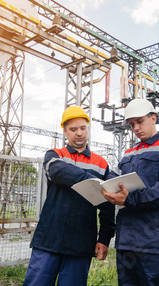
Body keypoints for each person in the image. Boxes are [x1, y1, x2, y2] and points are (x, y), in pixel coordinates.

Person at [23, 106, 115, 286]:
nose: (79, 133)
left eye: (83, 128)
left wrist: (104, 238)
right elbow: (58, 173)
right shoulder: (55, 156)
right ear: (65, 131)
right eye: (73, 129)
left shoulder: (101, 164)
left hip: (81, 243)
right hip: (49, 240)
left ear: (88, 128)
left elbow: (107, 205)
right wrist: (94, 180)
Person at [102, 98, 159, 286]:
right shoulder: (129, 153)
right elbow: (114, 176)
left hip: (157, 244)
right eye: (132, 124)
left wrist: (131, 199)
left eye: (139, 121)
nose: (136, 128)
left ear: (153, 118)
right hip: (127, 242)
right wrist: (102, 184)